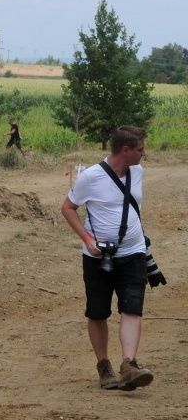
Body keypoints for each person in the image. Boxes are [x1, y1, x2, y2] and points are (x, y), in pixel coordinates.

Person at [61, 125, 155, 392]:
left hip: (134, 252)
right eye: (140, 149)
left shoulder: (137, 172)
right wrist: (87, 239)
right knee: (98, 312)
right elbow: (68, 208)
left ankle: (129, 365)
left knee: (132, 308)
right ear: (125, 150)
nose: (143, 154)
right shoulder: (90, 177)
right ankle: (104, 366)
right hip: (98, 257)